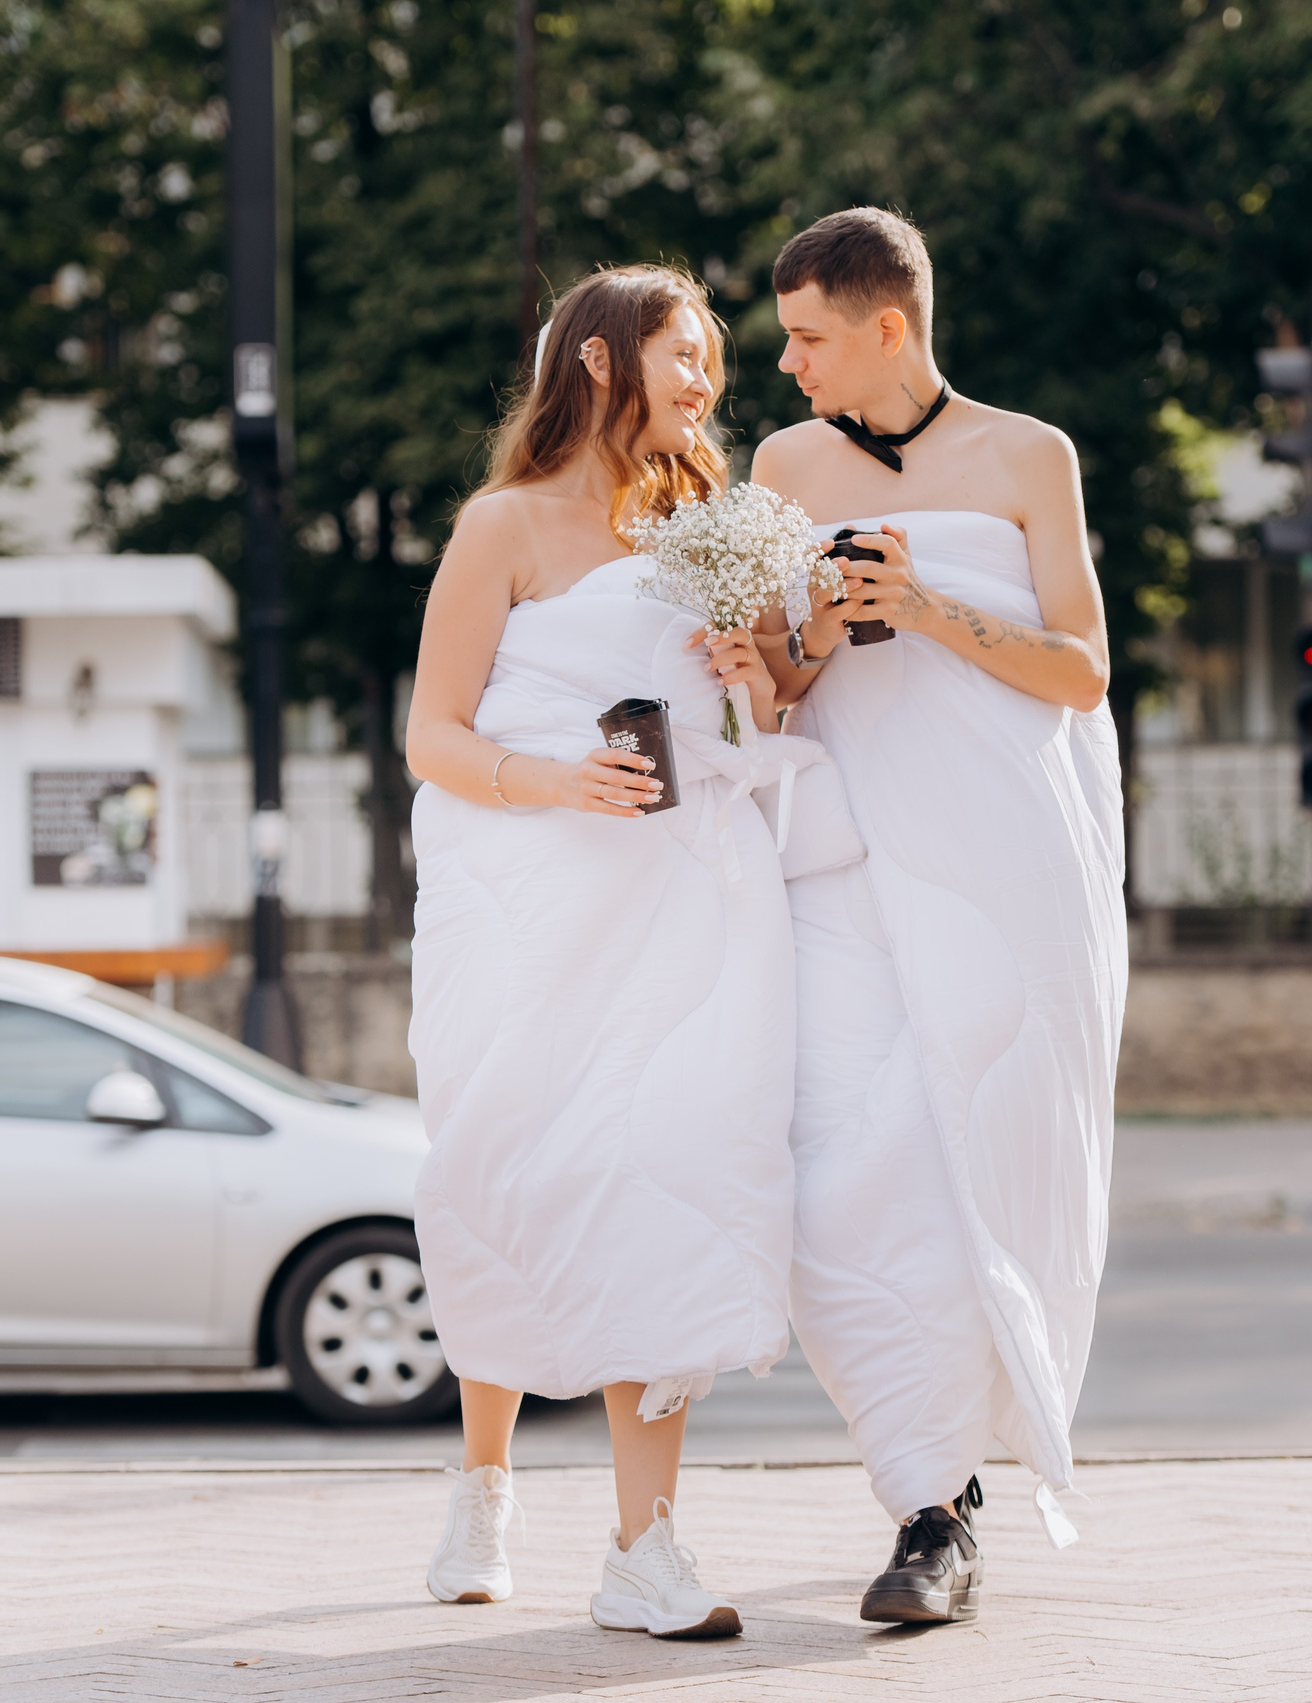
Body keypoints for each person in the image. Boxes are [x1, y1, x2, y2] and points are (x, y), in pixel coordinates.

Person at [406, 263, 853, 1640]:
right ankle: (484, 1479)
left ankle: (643, 1547)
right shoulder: (502, 528)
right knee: (517, 1171)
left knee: (681, 1176)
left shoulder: (708, 524)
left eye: (717, 356)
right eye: (689, 351)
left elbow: (769, 706)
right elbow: (432, 736)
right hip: (534, 905)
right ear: (602, 361)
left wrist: (765, 667)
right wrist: (559, 786)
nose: (711, 378)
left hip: (690, 903)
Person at [750, 208, 1128, 1625]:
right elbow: (785, 688)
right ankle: (920, 1476)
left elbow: (1081, 672)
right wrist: (777, 648)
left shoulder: (1032, 455)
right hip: (852, 852)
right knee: (846, 1165)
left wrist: (922, 605)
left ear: (887, 326)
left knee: (992, 1156)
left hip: (1002, 855)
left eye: (805, 336)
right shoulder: (783, 469)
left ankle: (940, 1513)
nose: (783, 364)